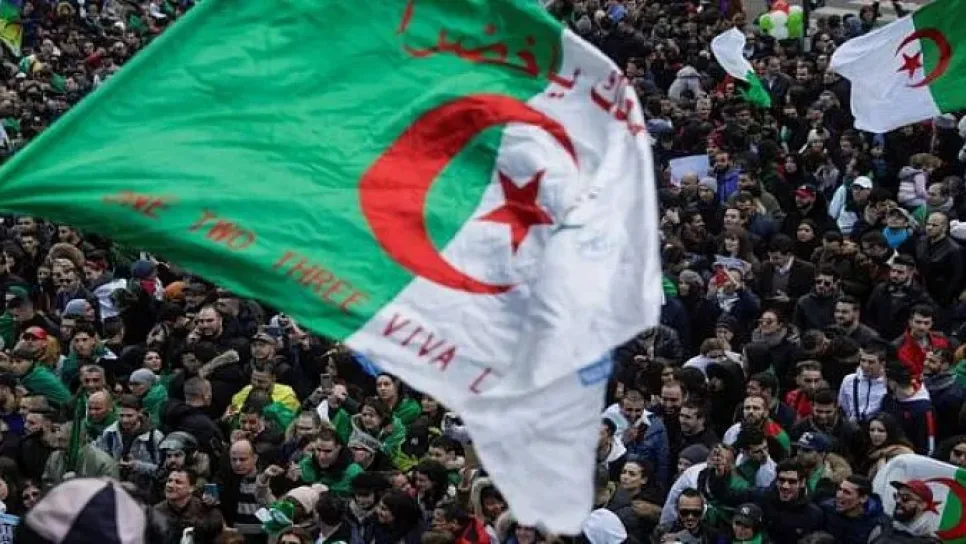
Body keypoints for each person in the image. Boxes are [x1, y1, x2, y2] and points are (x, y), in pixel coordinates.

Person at [867, 481, 943, 543]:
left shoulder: (930, 541)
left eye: (905, 498)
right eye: (897, 496)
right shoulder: (881, 528)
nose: (898, 501)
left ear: (922, 505)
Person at [838, 342, 889, 424]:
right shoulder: (849, 380)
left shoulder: (888, 384)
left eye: (871, 362)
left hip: (879, 427)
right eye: (863, 360)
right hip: (854, 426)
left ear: (882, 364)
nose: (865, 365)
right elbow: (843, 406)